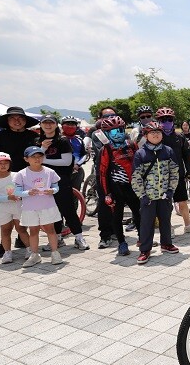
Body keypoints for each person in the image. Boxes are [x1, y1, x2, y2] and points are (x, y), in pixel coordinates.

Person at [0, 106, 39, 258]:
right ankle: (4, 246)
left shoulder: (33, 136)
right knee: (5, 216)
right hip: (4, 179)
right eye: (13, 118)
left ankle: (25, 241)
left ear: (25, 120)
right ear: (7, 121)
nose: (17, 121)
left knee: (24, 213)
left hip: (26, 178)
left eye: (21, 118)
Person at [37, 115, 89, 250]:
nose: (48, 126)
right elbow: (34, 159)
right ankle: (57, 238)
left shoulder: (63, 141)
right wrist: (42, 149)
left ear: (56, 125)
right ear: (41, 125)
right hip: (43, 181)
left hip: (61, 179)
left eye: (51, 123)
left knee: (68, 209)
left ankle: (79, 238)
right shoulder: (37, 141)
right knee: (52, 211)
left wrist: (44, 160)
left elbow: (66, 162)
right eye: (45, 123)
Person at [132, 121, 180, 264]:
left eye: (158, 132)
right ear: (145, 135)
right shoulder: (140, 154)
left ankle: (166, 243)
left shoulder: (168, 151)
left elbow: (174, 172)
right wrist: (142, 195)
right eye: (152, 133)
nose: (155, 135)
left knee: (166, 220)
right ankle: (145, 249)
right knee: (147, 223)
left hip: (165, 194)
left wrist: (171, 191)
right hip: (148, 196)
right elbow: (136, 177)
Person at [96, 115, 140, 256]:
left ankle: (142, 238)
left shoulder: (131, 145)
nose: (119, 134)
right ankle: (122, 242)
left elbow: (139, 164)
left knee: (138, 213)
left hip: (132, 187)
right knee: (117, 216)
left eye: (121, 130)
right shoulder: (106, 149)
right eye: (114, 132)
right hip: (116, 188)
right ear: (107, 133)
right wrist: (106, 193)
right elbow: (102, 173)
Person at [155, 107, 190, 234]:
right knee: (165, 204)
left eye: (169, 119)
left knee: (182, 201)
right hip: (162, 177)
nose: (166, 122)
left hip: (178, 175)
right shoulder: (155, 137)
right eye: (163, 120)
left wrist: (189, 171)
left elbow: (186, 156)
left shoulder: (179, 137)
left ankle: (188, 225)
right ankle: (168, 227)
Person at [14, 146, 63, 267]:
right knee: (33, 230)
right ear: (26, 159)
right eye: (33, 157)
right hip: (30, 207)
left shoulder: (50, 172)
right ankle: (34, 254)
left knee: (50, 229)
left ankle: (55, 253)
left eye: (40, 156)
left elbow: (56, 187)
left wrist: (52, 190)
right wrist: (27, 193)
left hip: (47, 205)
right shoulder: (21, 174)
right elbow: (17, 191)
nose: (37, 159)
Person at [0, 152, 30, 264]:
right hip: (1, 209)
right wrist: (8, 197)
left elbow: (24, 189)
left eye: (6, 163)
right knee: (5, 230)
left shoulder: (17, 175)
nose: (3, 165)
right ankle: (7, 252)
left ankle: (30, 250)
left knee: (21, 229)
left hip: (18, 206)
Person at [88, 107, 118, 249]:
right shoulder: (97, 134)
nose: (109, 118)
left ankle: (117, 231)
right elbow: (105, 150)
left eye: (112, 115)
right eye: (106, 116)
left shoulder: (121, 132)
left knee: (119, 202)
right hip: (104, 173)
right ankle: (105, 236)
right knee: (104, 203)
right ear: (100, 118)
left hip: (120, 172)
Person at [60, 116, 88, 192]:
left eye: (72, 124)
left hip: (77, 171)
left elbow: (84, 154)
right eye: (67, 124)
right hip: (60, 172)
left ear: (76, 127)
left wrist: (78, 165)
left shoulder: (79, 140)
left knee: (75, 194)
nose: (70, 126)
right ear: (62, 126)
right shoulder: (57, 139)